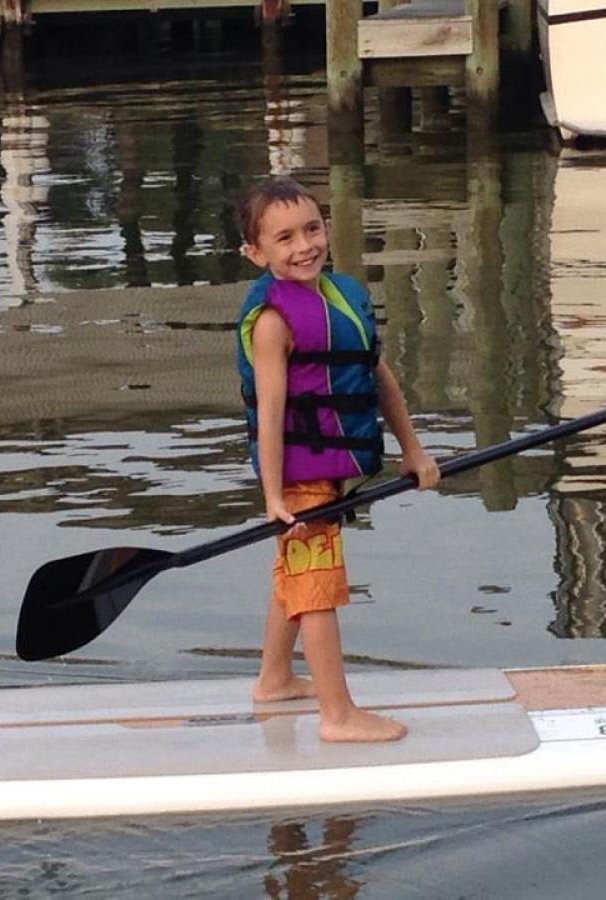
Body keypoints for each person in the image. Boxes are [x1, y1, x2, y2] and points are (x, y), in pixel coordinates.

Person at [235, 176, 440, 742]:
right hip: (298, 477)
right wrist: (273, 496)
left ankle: (275, 679)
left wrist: (413, 450)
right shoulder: (275, 321)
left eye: (312, 229)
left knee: (294, 576)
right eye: (284, 238)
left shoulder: (342, 296)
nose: (304, 246)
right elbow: (272, 411)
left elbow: (380, 379)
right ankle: (337, 715)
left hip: (328, 471)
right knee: (316, 588)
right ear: (256, 253)